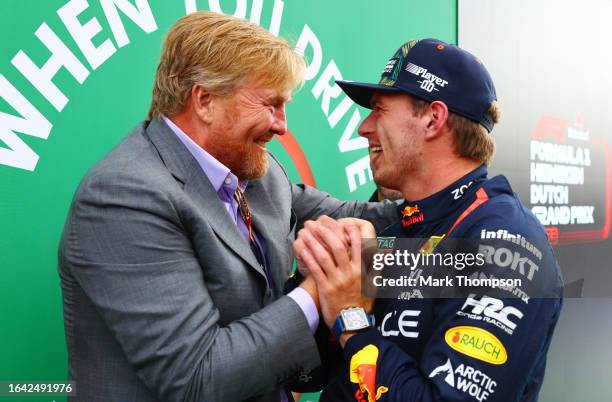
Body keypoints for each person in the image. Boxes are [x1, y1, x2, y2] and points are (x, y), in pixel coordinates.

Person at [57, 11, 398, 402]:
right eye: (270, 105)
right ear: (204, 101)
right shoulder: (124, 196)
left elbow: (358, 217)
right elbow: (196, 380)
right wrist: (321, 288)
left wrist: (469, 207)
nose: (282, 126)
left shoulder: (255, 171)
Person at [293, 38, 563, 401]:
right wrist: (325, 273)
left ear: (433, 118)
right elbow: (307, 374)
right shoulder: (401, 230)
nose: (365, 128)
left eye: (379, 110)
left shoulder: (507, 245)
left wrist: (350, 317)